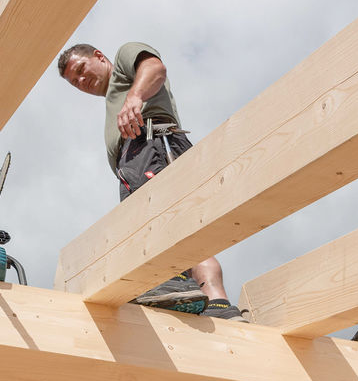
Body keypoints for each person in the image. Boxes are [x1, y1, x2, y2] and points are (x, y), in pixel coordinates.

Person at [55, 41, 247, 320]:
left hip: (152, 145)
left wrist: (135, 97)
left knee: (169, 227)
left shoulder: (124, 62)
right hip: (136, 160)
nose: (82, 81)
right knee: (178, 232)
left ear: (99, 56)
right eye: (75, 82)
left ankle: (203, 295)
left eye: (82, 70)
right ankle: (216, 306)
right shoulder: (112, 100)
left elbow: (155, 68)